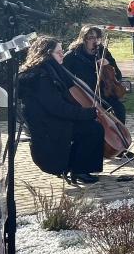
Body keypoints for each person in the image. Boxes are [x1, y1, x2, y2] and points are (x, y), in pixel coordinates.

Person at [17, 36, 104, 185]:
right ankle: (79, 170)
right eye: (58, 52)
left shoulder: (44, 70)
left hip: (48, 120)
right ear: (47, 54)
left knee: (90, 126)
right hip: (48, 125)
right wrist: (87, 113)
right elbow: (57, 108)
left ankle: (75, 167)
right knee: (93, 128)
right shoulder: (42, 76)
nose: (62, 55)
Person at [62, 25, 127, 124]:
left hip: (104, 94)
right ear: (84, 39)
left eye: (98, 38)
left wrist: (108, 64)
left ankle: (117, 133)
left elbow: (118, 75)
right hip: (85, 96)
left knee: (119, 109)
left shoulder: (103, 52)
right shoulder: (72, 55)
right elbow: (63, 76)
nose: (95, 41)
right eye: (91, 38)